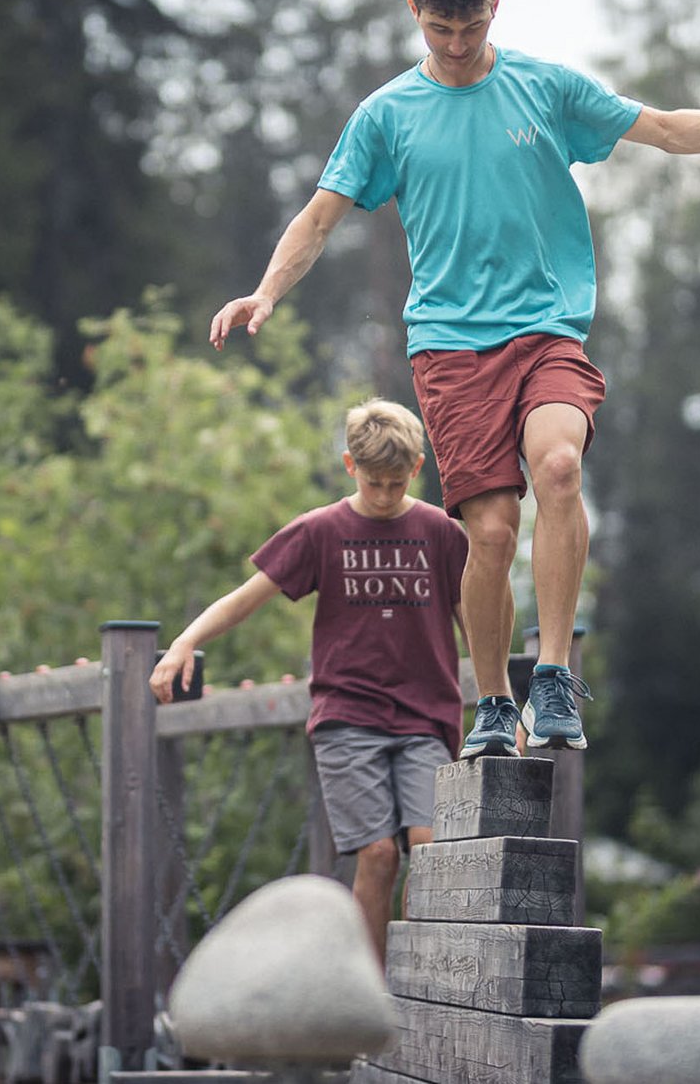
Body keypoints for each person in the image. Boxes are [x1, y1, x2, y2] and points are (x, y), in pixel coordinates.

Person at [207, 0, 700, 759]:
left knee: (560, 468)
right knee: (490, 532)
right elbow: (320, 218)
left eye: (469, 28)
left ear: (494, 7)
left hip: (546, 330)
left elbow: (665, 129)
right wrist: (266, 291)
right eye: (439, 31)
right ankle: (493, 701)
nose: (456, 48)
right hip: (452, 349)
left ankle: (556, 676)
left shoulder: (545, 88)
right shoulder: (386, 115)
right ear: (415, 13)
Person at [148, 400, 467, 963]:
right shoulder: (322, 531)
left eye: (397, 483)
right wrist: (185, 642)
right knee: (376, 854)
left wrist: (503, 703)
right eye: (374, 484)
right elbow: (246, 598)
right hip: (349, 717)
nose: (387, 496)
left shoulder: (440, 532)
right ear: (349, 466)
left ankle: (424, 981)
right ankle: (375, 988)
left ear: (418, 467)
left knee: (430, 849)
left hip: (427, 716)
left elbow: (478, 619)